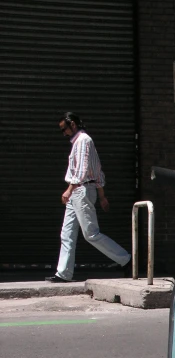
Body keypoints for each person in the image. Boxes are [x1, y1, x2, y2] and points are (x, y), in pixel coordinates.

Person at [46, 112, 131, 282]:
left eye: (64, 129)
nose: (64, 133)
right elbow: (97, 171)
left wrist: (70, 190)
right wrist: (102, 196)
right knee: (67, 233)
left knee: (91, 234)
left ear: (73, 125)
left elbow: (83, 171)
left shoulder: (84, 141)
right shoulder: (79, 142)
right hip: (78, 191)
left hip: (81, 190)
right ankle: (63, 273)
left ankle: (126, 259)